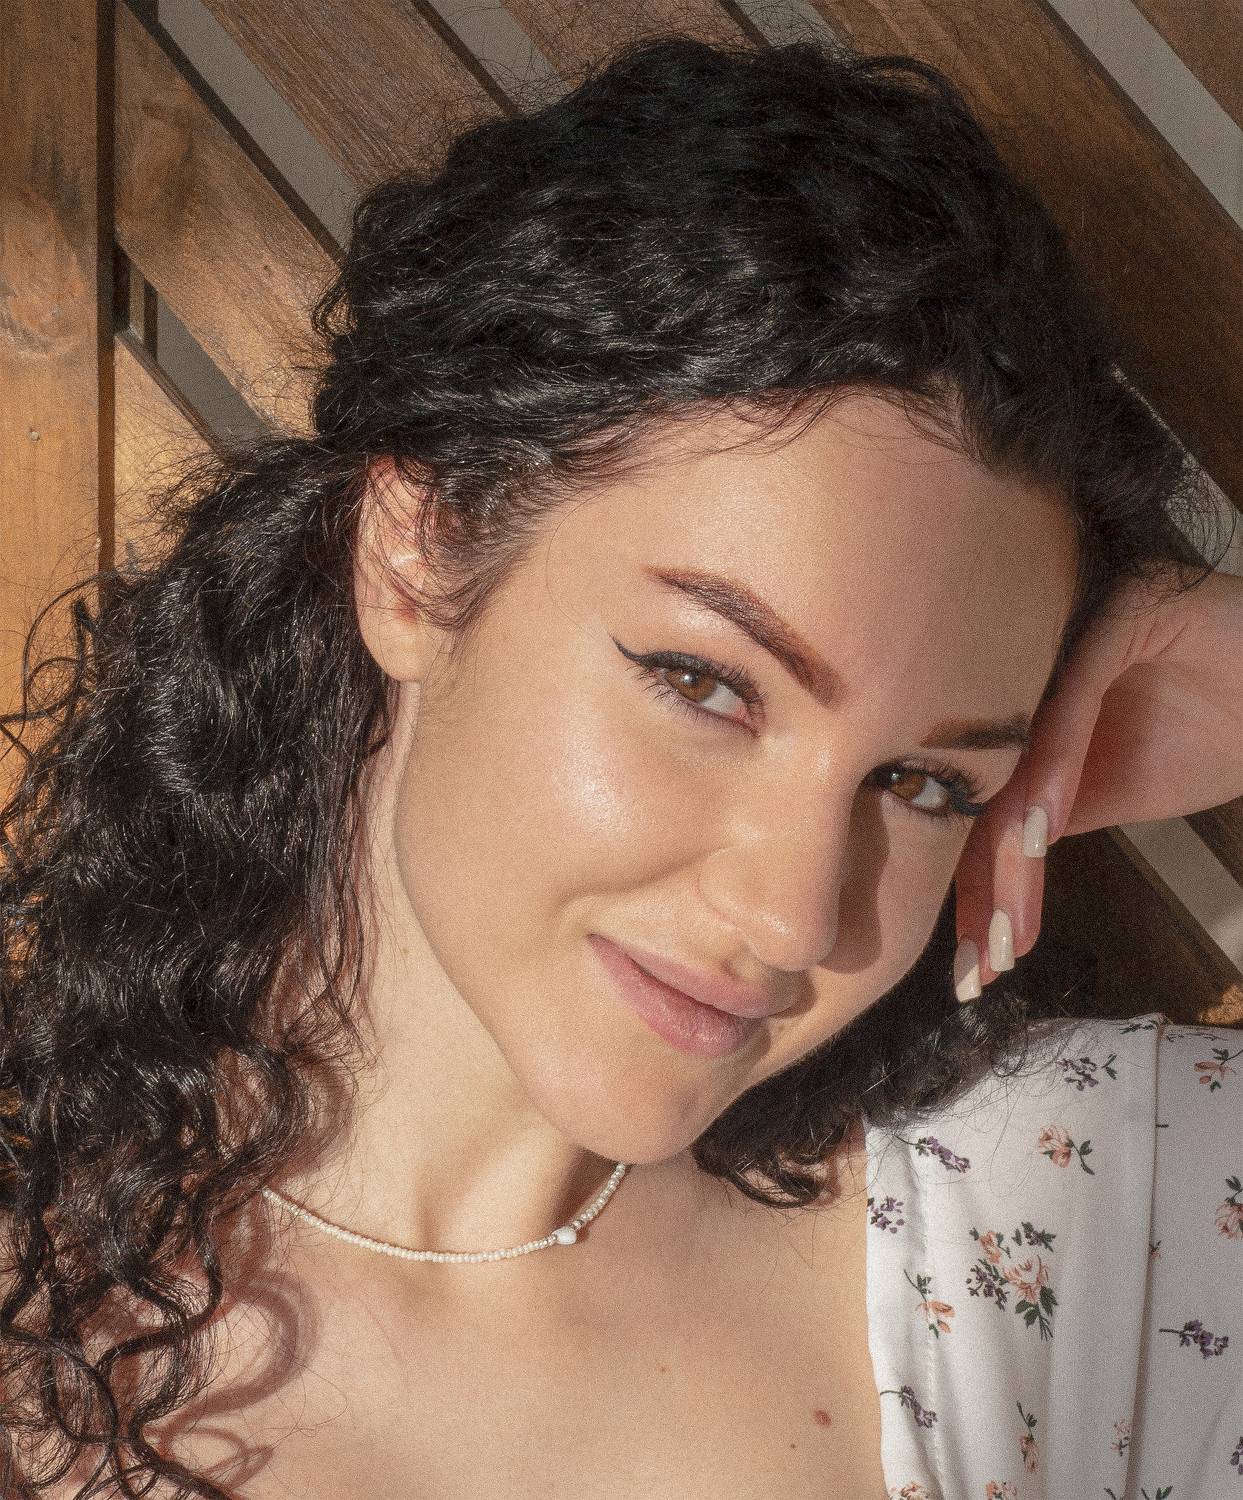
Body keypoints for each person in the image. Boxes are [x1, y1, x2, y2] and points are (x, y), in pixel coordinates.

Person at [1, 29, 1240, 1500]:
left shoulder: (1079, 1218)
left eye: (924, 785)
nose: (795, 914)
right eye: (705, 685)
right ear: (417, 556)